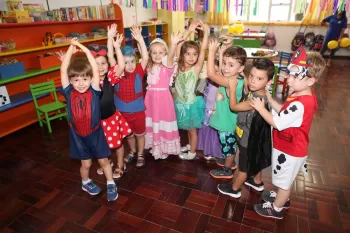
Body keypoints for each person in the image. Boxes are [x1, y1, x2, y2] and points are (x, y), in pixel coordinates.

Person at [252, 46, 326, 219]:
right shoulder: (301, 94)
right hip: (290, 146)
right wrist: (270, 99)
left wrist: (262, 108)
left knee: (285, 182)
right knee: (286, 178)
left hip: (291, 150)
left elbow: (277, 122)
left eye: (294, 76)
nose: (289, 79)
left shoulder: (300, 103)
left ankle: (277, 208)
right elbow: (284, 111)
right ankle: (281, 198)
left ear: (310, 80)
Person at [60, 38, 118, 201]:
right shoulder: (69, 92)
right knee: (86, 165)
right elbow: (64, 70)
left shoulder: (94, 90)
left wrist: (82, 48)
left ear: (91, 78)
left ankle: (111, 183)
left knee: (104, 161)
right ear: (71, 81)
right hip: (78, 136)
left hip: (95, 134)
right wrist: (71, 48)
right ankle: (85, 182)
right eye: (76, 80)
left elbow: (92, 66)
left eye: (84, 79)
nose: (80, 84)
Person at [216, 57, 275, 198]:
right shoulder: (260, 92)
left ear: (269, 82)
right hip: (252, 137)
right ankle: (257, 181)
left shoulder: (255, 101)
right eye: (251, 76)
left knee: (244, 166)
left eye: (259, 79)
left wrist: (231, 86)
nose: (253, 81)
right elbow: (249, 87)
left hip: (248, 140)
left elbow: (234, 106)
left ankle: (235, 189)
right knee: (254, 160)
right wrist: (244, 77)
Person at [91, 27, 131, 179]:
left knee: (118, 144)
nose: (100, 67)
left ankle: (120, 165)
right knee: (102, 144)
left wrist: (115, 47)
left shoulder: (110, 78)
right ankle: (107, 163)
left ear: (107, 66)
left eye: (103, 63)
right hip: (97, 121)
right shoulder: (88, 83)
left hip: (112, 119)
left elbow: (120, 66)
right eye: (96, 64)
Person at [206, 41, 247, 179]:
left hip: (227, 124)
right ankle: (229, 162)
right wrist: (222, 53)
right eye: (224, 63)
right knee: (228, 145)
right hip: (227, 122)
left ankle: (227, 169)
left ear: (241, 68)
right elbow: (220, 72)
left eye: (230, 65)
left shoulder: (231, 81)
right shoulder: (236, 78)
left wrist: (211, 51)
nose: (225, 68)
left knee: (228, 147)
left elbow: (212, 74)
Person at [111, 25, 149, 168]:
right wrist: (114, 46)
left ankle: (140, 153)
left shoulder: (139, 71)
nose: (130, 65)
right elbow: (111, 58)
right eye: (126, 62)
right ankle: (133, 151)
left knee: (140, 134)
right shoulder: (116, 73)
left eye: (132, 61)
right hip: (122, 113)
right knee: (129, 135)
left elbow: (145, 57)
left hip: (138, 111)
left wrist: (139, 39)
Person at [144, 34, 183, 160]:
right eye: (154, 53)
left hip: (163, 101)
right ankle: (155, 145)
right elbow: (143, 52)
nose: (157, 55)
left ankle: (164, 147)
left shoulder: (167, 67)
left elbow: (170, 57)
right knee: (153, 121)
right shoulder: (149, 67)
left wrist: (173, 45)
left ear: (165, 54)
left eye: (161, 52)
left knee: (162, 122)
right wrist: (139, 38)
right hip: (150, 100)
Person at [174, 20, 209, 160]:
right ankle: (190, 145)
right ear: (183, 55)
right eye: (188, 54)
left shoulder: (196, 69)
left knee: (192, 130)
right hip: (181, 103)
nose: (192, 57)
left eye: (195, 54)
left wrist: (205, 32)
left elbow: (204, 49)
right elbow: (178, 45)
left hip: (192, 105)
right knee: (188, 129)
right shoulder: (179, 66)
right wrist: (189, 31)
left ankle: (192, 153)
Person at [197, 59, 222, 160]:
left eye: (216, 71)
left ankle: (214, 151)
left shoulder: (220, 84)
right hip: (206, 110)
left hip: (214, 112)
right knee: (205, 131)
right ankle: (206, 149)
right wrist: (202, 78)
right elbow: (199, 90)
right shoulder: (206, 81)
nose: (213, 74)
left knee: (213, 134)